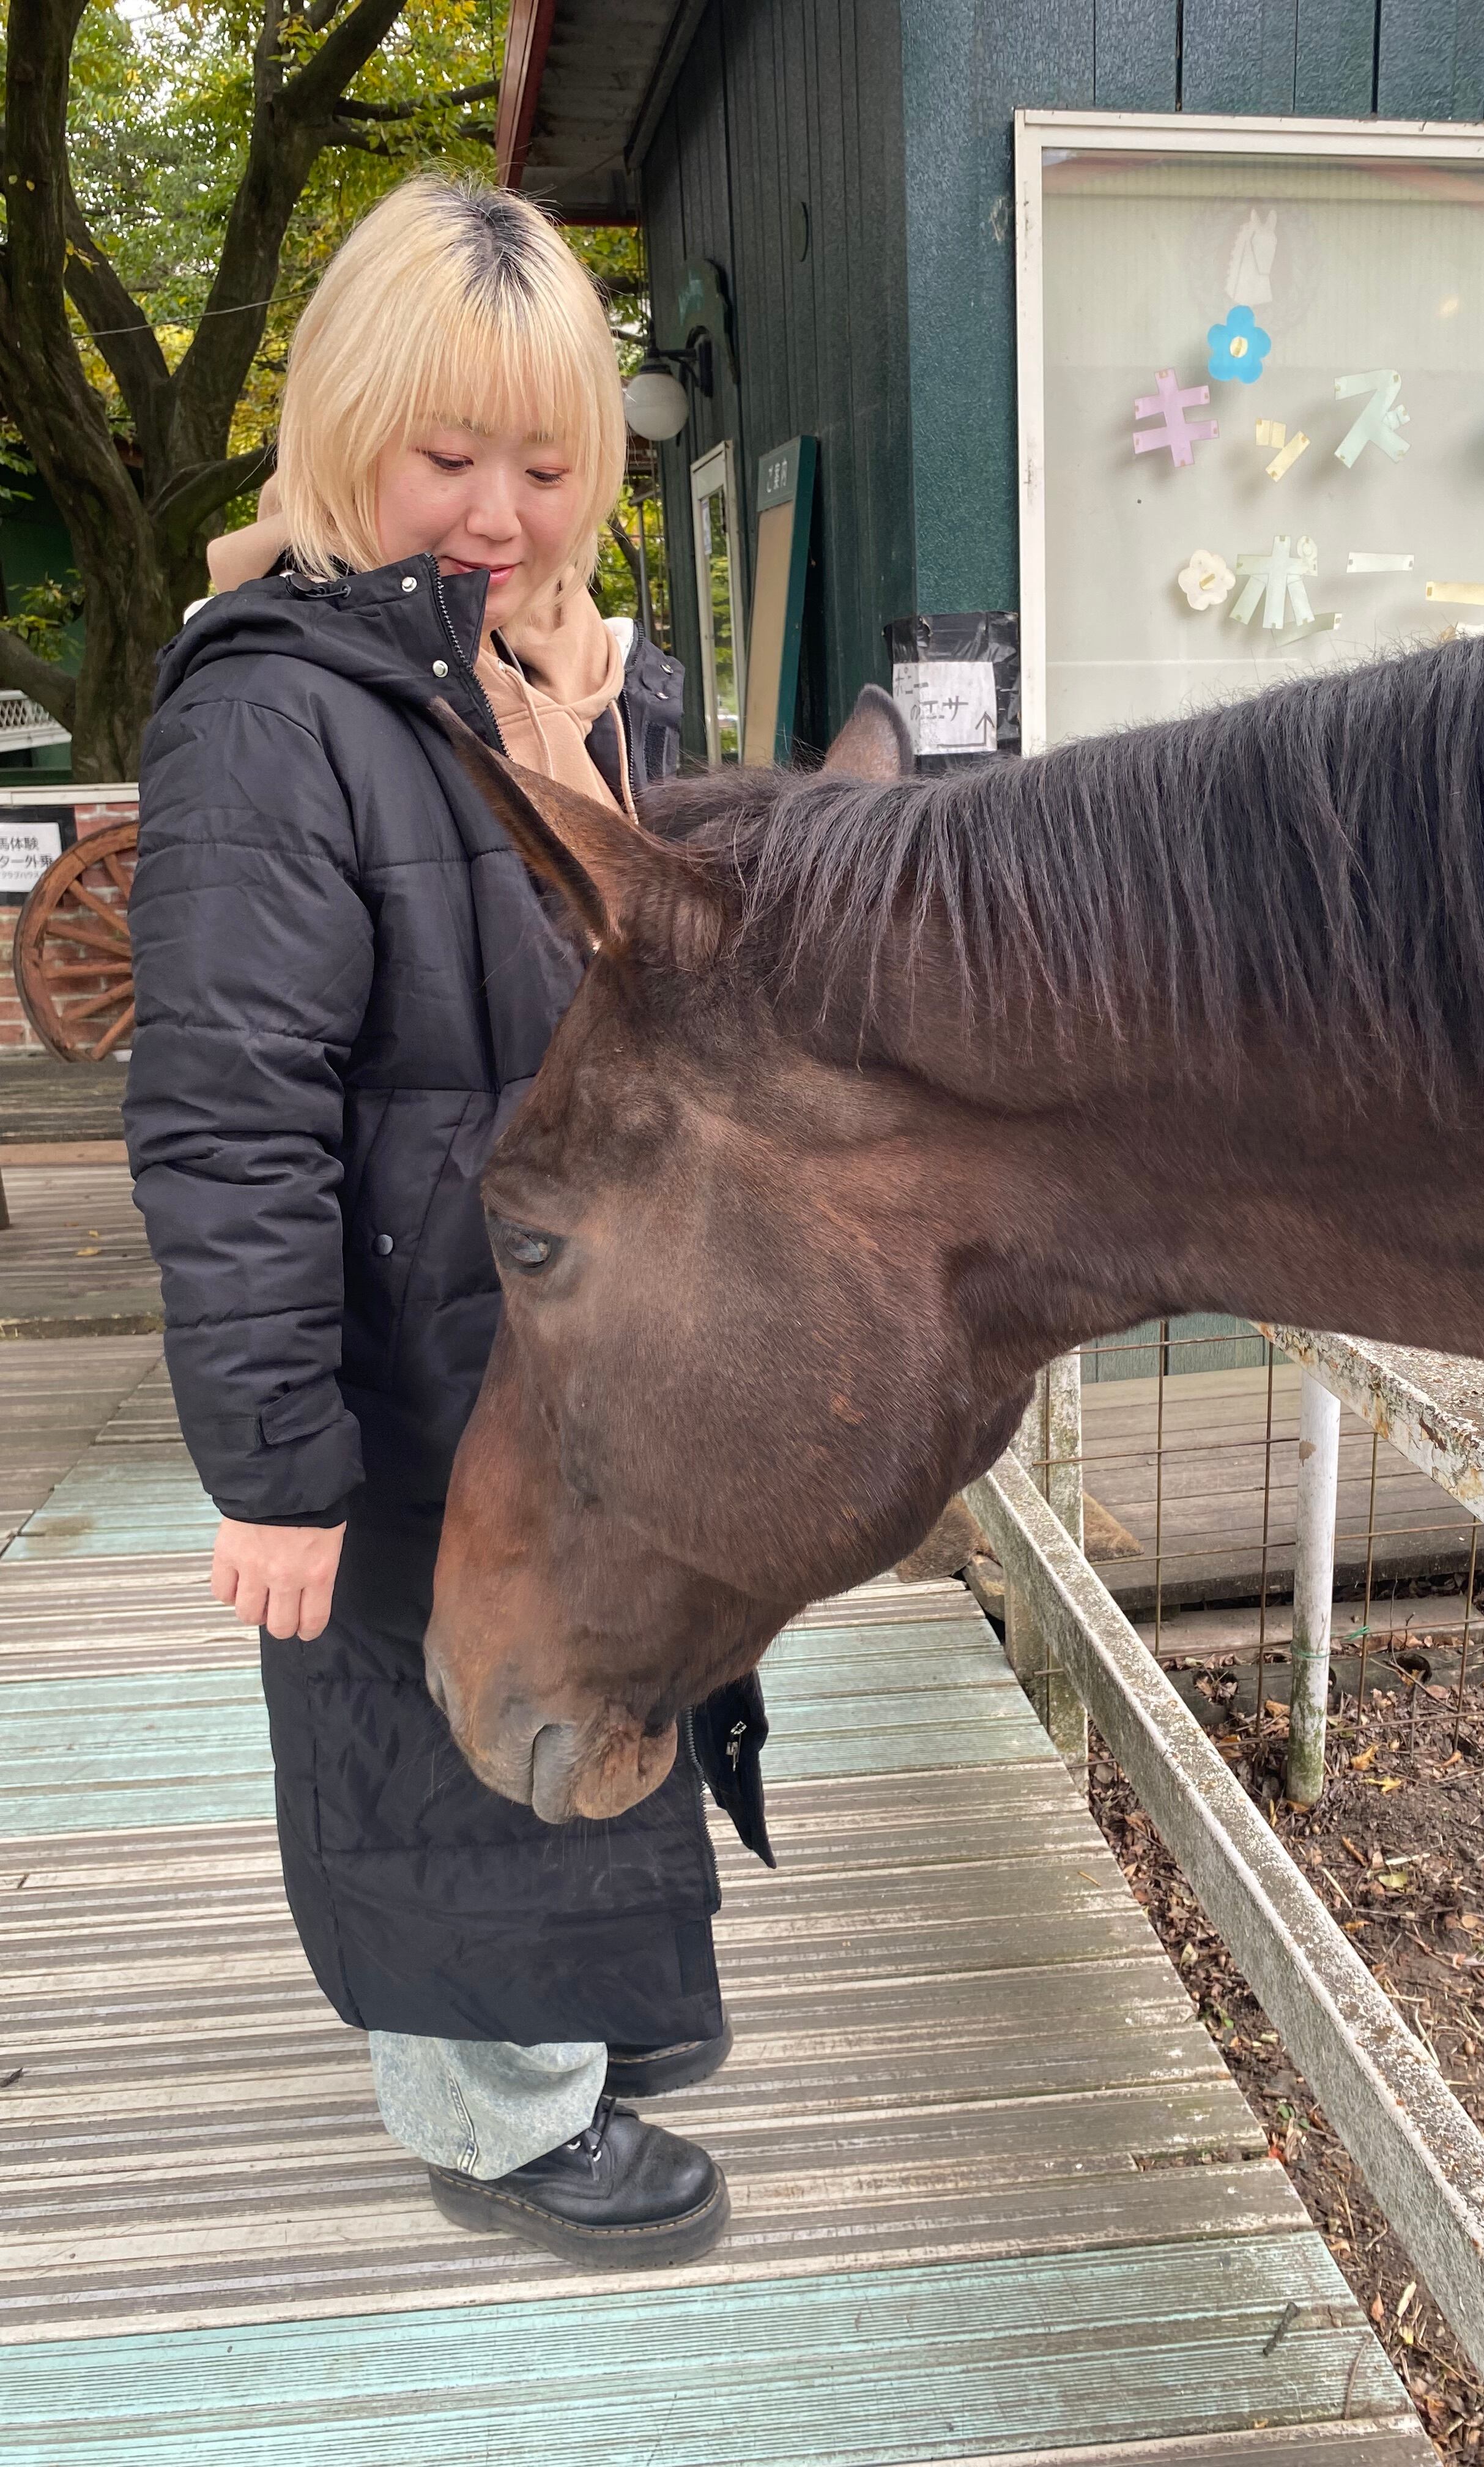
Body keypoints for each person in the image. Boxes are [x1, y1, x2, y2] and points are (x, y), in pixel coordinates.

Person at [124, 174, 766, 2271]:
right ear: (343, 434)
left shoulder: (588, 687)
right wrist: (273, 1472)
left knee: (585, 1692)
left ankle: (600, 2002)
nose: (500, 513)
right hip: (412, 1381)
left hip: (592, 1353)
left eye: (549, 467)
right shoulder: (276, 710)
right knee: (427, 1738)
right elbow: (228, 1116)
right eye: (447, 456)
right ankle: (496, 2116)